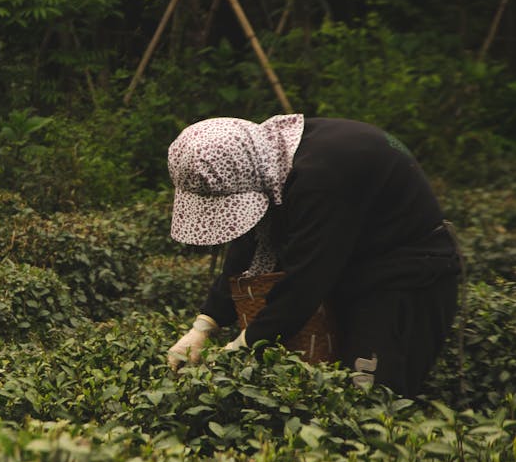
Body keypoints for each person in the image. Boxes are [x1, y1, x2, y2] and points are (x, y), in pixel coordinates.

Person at [165, 114, 461, 395]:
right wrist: (204, 326)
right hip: (351, 269)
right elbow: (250, 243)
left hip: (407, 278)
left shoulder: (322, 176)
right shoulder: (269, 158)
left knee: (368, 397)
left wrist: (241, 345)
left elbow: (306, 280)